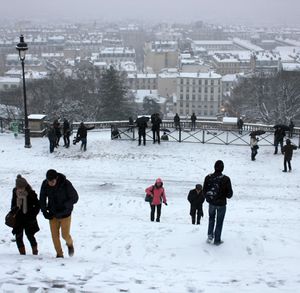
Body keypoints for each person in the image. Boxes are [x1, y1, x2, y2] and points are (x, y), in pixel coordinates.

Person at [40, 169, 79, 258]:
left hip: (65, 214)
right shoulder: (45, 184)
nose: (51, 183)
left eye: (52, 181)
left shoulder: (66, 184)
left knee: (65, 235)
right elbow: (42, 198)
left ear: (56, 178)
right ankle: (59, 255)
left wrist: (65, 205)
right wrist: (44, 211)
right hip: (53, 214)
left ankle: (70, 244)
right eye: (49, 181)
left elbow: (75, 198)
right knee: (54, 237)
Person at [203, 160, 233, 245]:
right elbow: (230, 194)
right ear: (222, 168)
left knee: (211, 219)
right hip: (221, 204)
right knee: (219, 221)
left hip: (211, 203)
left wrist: (209, 198)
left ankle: (209, 236)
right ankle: (217, 240)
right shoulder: (226, 179)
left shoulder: (208, 177)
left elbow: (204, 191)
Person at [11, 175, 40, 255]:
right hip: (18, 218)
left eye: (22, 188)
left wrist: (33, 214)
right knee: (18, 237)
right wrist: (15, 209)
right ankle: (22, 254)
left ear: (25, 186)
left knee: (30, 235)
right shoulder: (14, 192)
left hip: (29, 219)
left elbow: (37, 205)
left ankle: (35, 252)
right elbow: (12, 204)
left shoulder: (31, 193)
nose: (20, 190)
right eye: (18, 188)